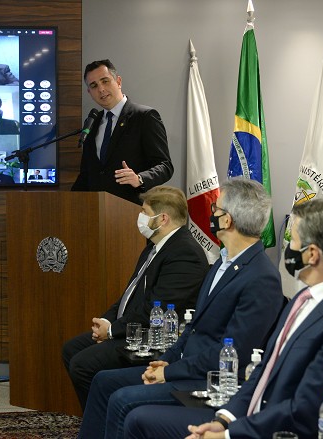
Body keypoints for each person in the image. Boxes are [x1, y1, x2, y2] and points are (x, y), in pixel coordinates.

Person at [124, 197, 323, 439]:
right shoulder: (304, 298)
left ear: (312, 254)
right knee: (140, 420)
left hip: (278, 431)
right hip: (251, 416)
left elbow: (307, 409)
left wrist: (229, 435)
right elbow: (265, 369)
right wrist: (224, 419)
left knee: (139, 418)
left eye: (293, 241)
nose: (289, 249)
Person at [78, 177, 285, 439]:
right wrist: (168, 358)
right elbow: (194, 327)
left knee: (122, 400)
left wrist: (169, 372)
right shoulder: (221, 263)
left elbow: (233, 352)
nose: (211, 214)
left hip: (208, 381)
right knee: (103, 381)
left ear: (227, 220)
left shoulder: (261, 277)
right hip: (185, 366)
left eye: (215, 209)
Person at [62, 186, 210, 411]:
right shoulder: (153, 247)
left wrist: (112, 332)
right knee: (72, 349)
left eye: (144, 212)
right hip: (131, 328)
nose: (140, 217)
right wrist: (106, 322)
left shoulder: (185, 253)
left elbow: (156, 310)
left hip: (153, 338)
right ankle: (98, 417)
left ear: (162, 218)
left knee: (83, 365)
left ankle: (106, 420)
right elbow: (129, 295)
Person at [71, 59, 174, 205]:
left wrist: (139, 178)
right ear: (89, 92)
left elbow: (165, 166)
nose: (101, 89)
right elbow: (86, 175)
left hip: (130, 208)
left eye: (105, 81)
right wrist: (68, 204)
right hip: (95, 210)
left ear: (118, 81)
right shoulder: (92, 123)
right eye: (94, 86)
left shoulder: (144, 117)